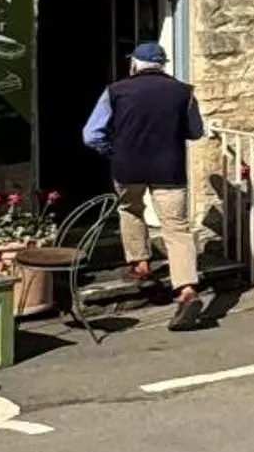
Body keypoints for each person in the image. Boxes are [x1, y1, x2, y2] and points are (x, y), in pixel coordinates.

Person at [84, 39, 208, 331]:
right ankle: (187, 289)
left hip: (128, 167)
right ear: (162, 64)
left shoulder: (115, 91)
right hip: (170, 168)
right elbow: (195, 131)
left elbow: (91, 135)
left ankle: (140, 264)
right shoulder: (183, 92)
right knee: (176, 227)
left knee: (130, 209)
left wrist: (111, 150)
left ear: (135, 64)